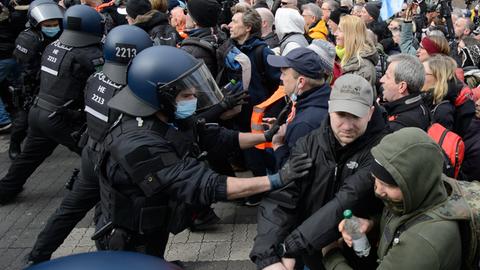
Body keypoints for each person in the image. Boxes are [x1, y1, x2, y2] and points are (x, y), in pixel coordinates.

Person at [95, 45, 312, 258]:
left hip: (154, 222)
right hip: (129, 238)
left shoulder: (168, 118)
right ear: (161, 96)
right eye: (187, 95)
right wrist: (275, 180)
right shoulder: (136, 142)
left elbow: (215, 137)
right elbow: (203, 184)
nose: (194, 100)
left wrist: (265, 136)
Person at [26, 25, 153, 265]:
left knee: (68, 211)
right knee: (116, 217)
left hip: (91, 152)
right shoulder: (135, 91)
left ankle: (37, 256)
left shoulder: (95, 78)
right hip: (114, 161)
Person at [250, 74, 388, 270]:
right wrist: (267, 256)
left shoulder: (383, 149)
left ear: (371, 112)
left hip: (357, 256)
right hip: (310, 252)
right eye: (341, 114)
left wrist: (288, 248)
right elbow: (282, 197)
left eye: (356, 116)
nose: (347, 126)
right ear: (330, 108)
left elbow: (348, 198)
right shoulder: (309, 143)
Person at [0, 5, 104, 204]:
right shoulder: (89, 54)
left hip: (39, 113)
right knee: (98, 157)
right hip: (62, 119)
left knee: (28, 158)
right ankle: (99, 199)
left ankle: (5, 190)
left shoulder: (52, 45)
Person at [322, 128, 462, 270]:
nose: (378, 190)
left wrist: (331, 256)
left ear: (417, 185)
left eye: (387, 185)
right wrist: (372, 224)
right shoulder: (422, 194)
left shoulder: (422, 245)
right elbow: (401, 219)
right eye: (375, 179)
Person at [8, 0, 64, 160]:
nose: (53, 27)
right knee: (23, 119)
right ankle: (14, 143)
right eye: (48, 24)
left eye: (55, 23)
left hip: (55, 81)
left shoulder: (62, 34)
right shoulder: (28, 38)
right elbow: (24, 66)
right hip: (32, 83)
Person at [267, 46, 332, 167]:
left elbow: (292, 175)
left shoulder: (304, 124)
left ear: (301, 82)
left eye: (284, 73)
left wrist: (278, 145)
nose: (281, 78)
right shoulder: (324, 97)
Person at [422, 55, 474, 137]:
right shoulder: (430, 97)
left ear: (438, 78)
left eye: (423, 73)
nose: (418, 76)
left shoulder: (443, 111)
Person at [379, 54, 430, 131]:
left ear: (402, 87)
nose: (381, 80)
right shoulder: (421, 106)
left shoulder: (397, 128)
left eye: (387, 76)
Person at [179, 0, 226, 77]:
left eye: (186, 11)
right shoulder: (222, 36)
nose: (184, 15)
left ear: (195, 20)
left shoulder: (190, 50)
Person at [335, 15, 378, 88]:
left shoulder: (364, 68)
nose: (335, 33)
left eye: (340, 30)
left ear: (351, 35)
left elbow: (355, 98)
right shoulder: (340, 57)